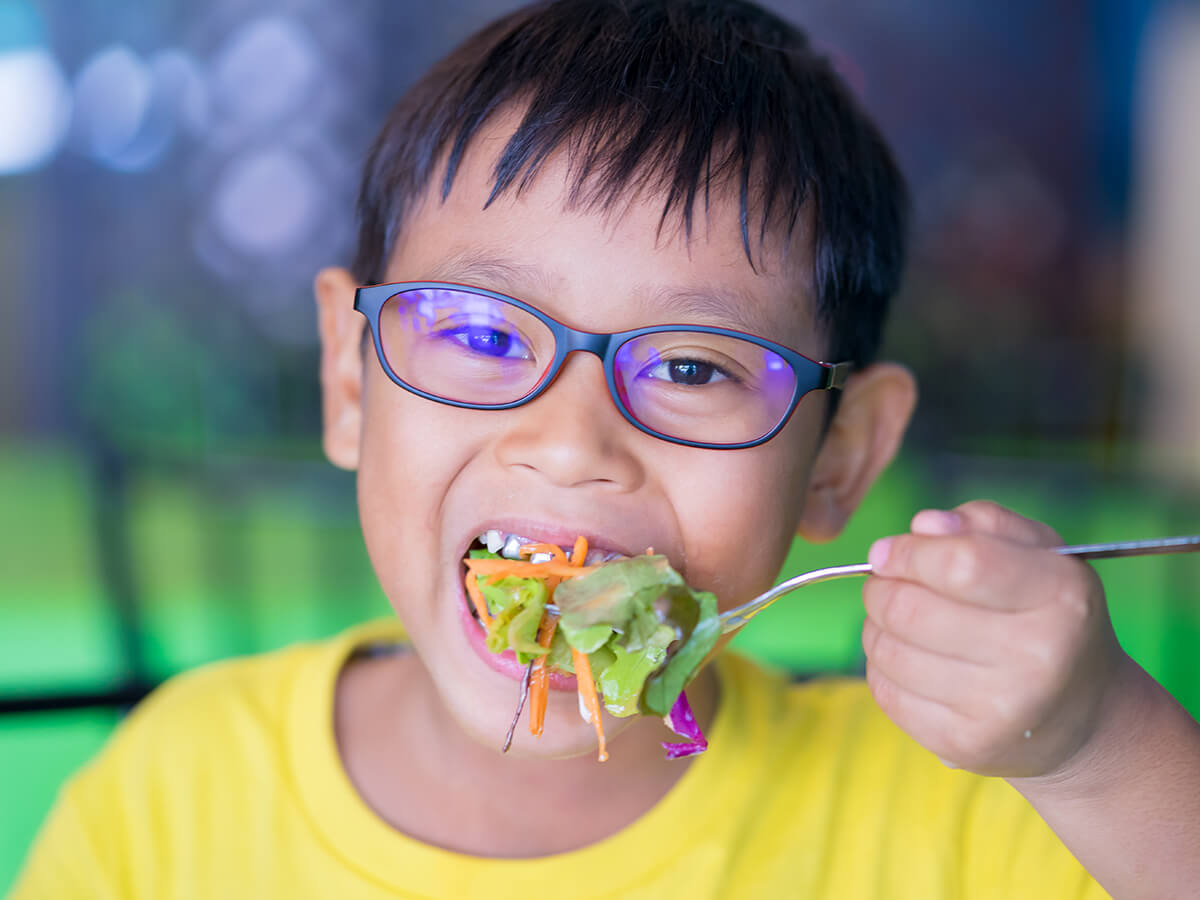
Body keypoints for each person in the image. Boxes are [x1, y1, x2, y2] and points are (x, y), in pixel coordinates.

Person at [12, 1, 1199, 897]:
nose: (572, 443)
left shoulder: (969, 816)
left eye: (692, 367)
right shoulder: (173, 796)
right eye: (482, 332)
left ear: (840, 455)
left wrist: (1099, 749)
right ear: (348, 378)